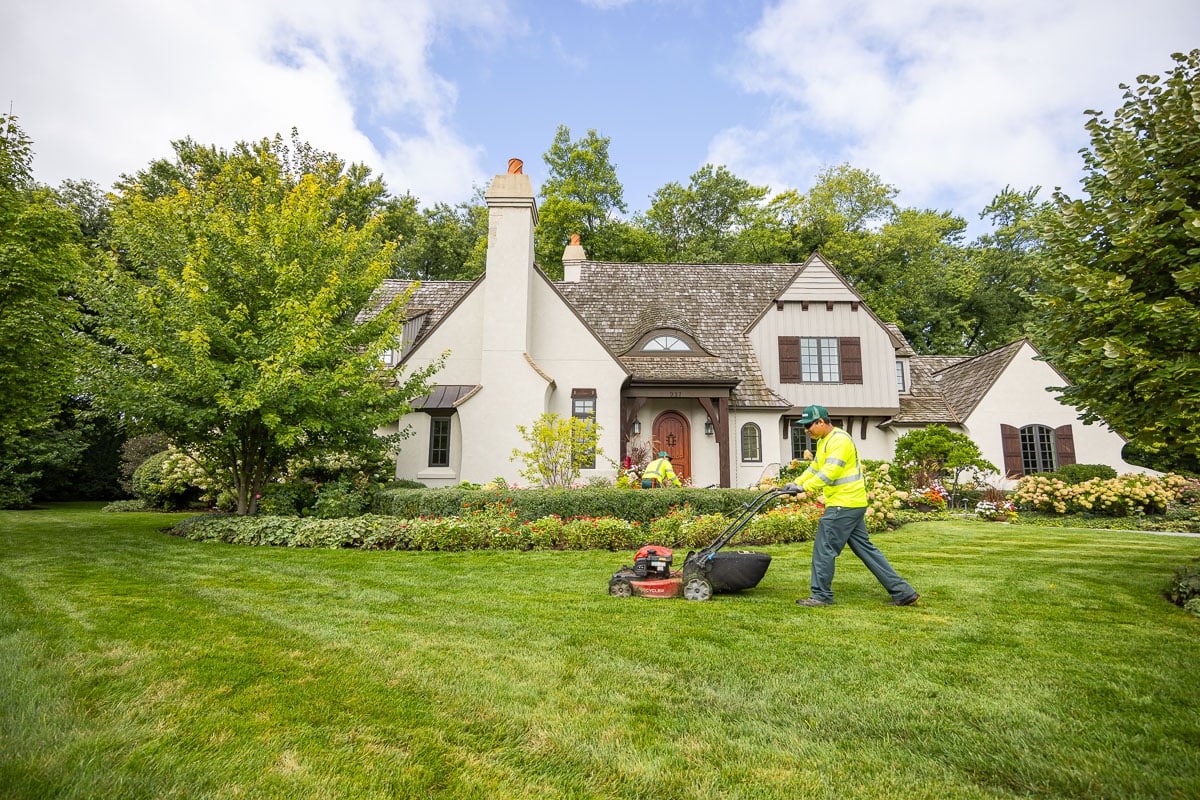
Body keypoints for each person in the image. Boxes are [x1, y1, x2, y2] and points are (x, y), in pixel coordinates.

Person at [791, 405, 919, 607]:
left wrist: (804, 488)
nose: (807, 430)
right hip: (852, 503)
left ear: (822, 422)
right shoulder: (824, 441)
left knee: (824, 549)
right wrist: (796, 483)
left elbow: (830, 472)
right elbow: (815, 467)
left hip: (844, 504)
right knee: (866, 550)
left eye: (809, 426)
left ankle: (821, 596)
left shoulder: (839, 440)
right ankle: (903, 592)